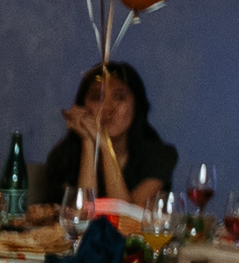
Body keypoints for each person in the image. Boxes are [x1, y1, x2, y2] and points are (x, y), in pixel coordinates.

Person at [44, 61, 175, 209]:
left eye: (119, 97)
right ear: (82, 105)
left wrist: (105, 146)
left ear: (136, 105)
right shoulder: (63, 157)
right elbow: (81, 219)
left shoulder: (160, 156)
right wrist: (88, 141)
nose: (107, 108)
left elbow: (124, 219)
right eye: (97, 98)